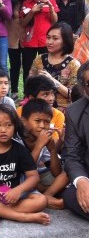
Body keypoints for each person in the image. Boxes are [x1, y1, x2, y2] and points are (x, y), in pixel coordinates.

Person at [21, 99, 68, 210]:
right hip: (18, 177)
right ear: (23, 121)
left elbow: (57, 173)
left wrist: (52, 150)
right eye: (37, 121)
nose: (42, 126)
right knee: (31, 181)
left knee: (68, 172)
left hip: (38, 176)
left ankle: (46, 196)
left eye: (46, 122)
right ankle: (46, 198)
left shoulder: (42, 137)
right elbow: (24, 170)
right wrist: (39, 145)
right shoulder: (16, 139)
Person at [29, 22, 80, 112]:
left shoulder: (73, 64)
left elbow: (74, 95)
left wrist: (52, 81)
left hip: (63, 111)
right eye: (48, 37)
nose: (49, 41)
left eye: (55, 38)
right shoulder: (39, 59)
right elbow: (29, 86)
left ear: (65, 41)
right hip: (39, 109)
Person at [20, 0, 59, 87]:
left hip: (46, 40)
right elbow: (23, 23)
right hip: (30, 41)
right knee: (28, 69)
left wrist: (50, 6)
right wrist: (32, 11)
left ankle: (46, 91)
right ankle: (28, 94)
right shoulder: (27, 3)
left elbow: (55, 21)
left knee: (47, 68)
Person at [62, 61, 89, 221]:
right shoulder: (74, 112)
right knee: (72, 195)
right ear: (84, 88)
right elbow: (72, 155)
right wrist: (82, 181)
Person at [17, 75, 64, 144]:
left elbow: (54, 145)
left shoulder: (58, 115)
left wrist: (60, 141)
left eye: (52, 93)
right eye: (45, 95)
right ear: (31, 98)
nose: (51, 98)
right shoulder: (18, 112)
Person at [6, 0, 30, 100]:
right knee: (14, 66)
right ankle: (14, 91)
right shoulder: (9, 2)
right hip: (13, 39)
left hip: (27, 39)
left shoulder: (29, 1)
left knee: (27, 66)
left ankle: (27, 92)